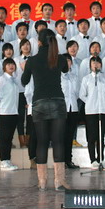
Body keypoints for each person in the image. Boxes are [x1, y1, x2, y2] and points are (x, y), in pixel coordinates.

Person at [21, 29, 69, 191]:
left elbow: (24, 81)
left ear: (39, 42)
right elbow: (65, 69)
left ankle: (42, 182)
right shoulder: (60, 58)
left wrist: (25, 68)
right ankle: (59, 181)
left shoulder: (32, 60)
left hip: (39, 102)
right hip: (57, 101)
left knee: (41, 141)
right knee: (58, 141)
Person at [79, 57, 105, 169]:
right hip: (91, 111)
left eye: (98, 63)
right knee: (91, 137)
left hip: (103, 110)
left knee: (101, 136)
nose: (95, 65)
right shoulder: (86, 79)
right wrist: (90, 102)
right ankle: (93, 160)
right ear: (90, 65)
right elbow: (82, 94)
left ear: (101, 65)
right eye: (93, 63)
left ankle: (101, 158)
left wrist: (104, 101)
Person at [61, 54, 80, 169]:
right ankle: (61, 160)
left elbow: (77, 93)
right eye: (64, 61)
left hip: (73, 108)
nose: (67, 63)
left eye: (68, 61)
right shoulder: (57, 76)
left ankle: (68, 159)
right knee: (61, 136)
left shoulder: (75, 77)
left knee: (69, 136)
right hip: (62, 109)